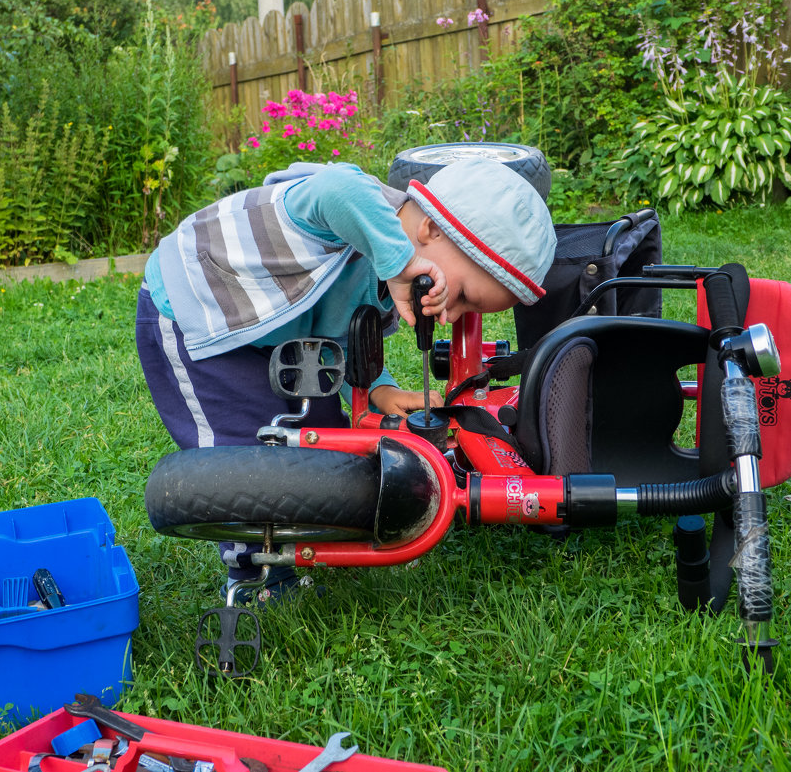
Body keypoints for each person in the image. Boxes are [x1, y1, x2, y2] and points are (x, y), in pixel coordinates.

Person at [136, 157, 557, 602]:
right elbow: (337, 186)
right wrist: (398, 263)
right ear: (431, 229)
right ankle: (257, 574)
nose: (452, 316)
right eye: (465, 297)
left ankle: (308, 537)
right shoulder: (360, 211)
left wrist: (379, 386)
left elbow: (348, 331)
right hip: (199, 315)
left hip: (282, 334)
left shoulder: (399, 273)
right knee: (242, 447)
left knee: (319, 435)